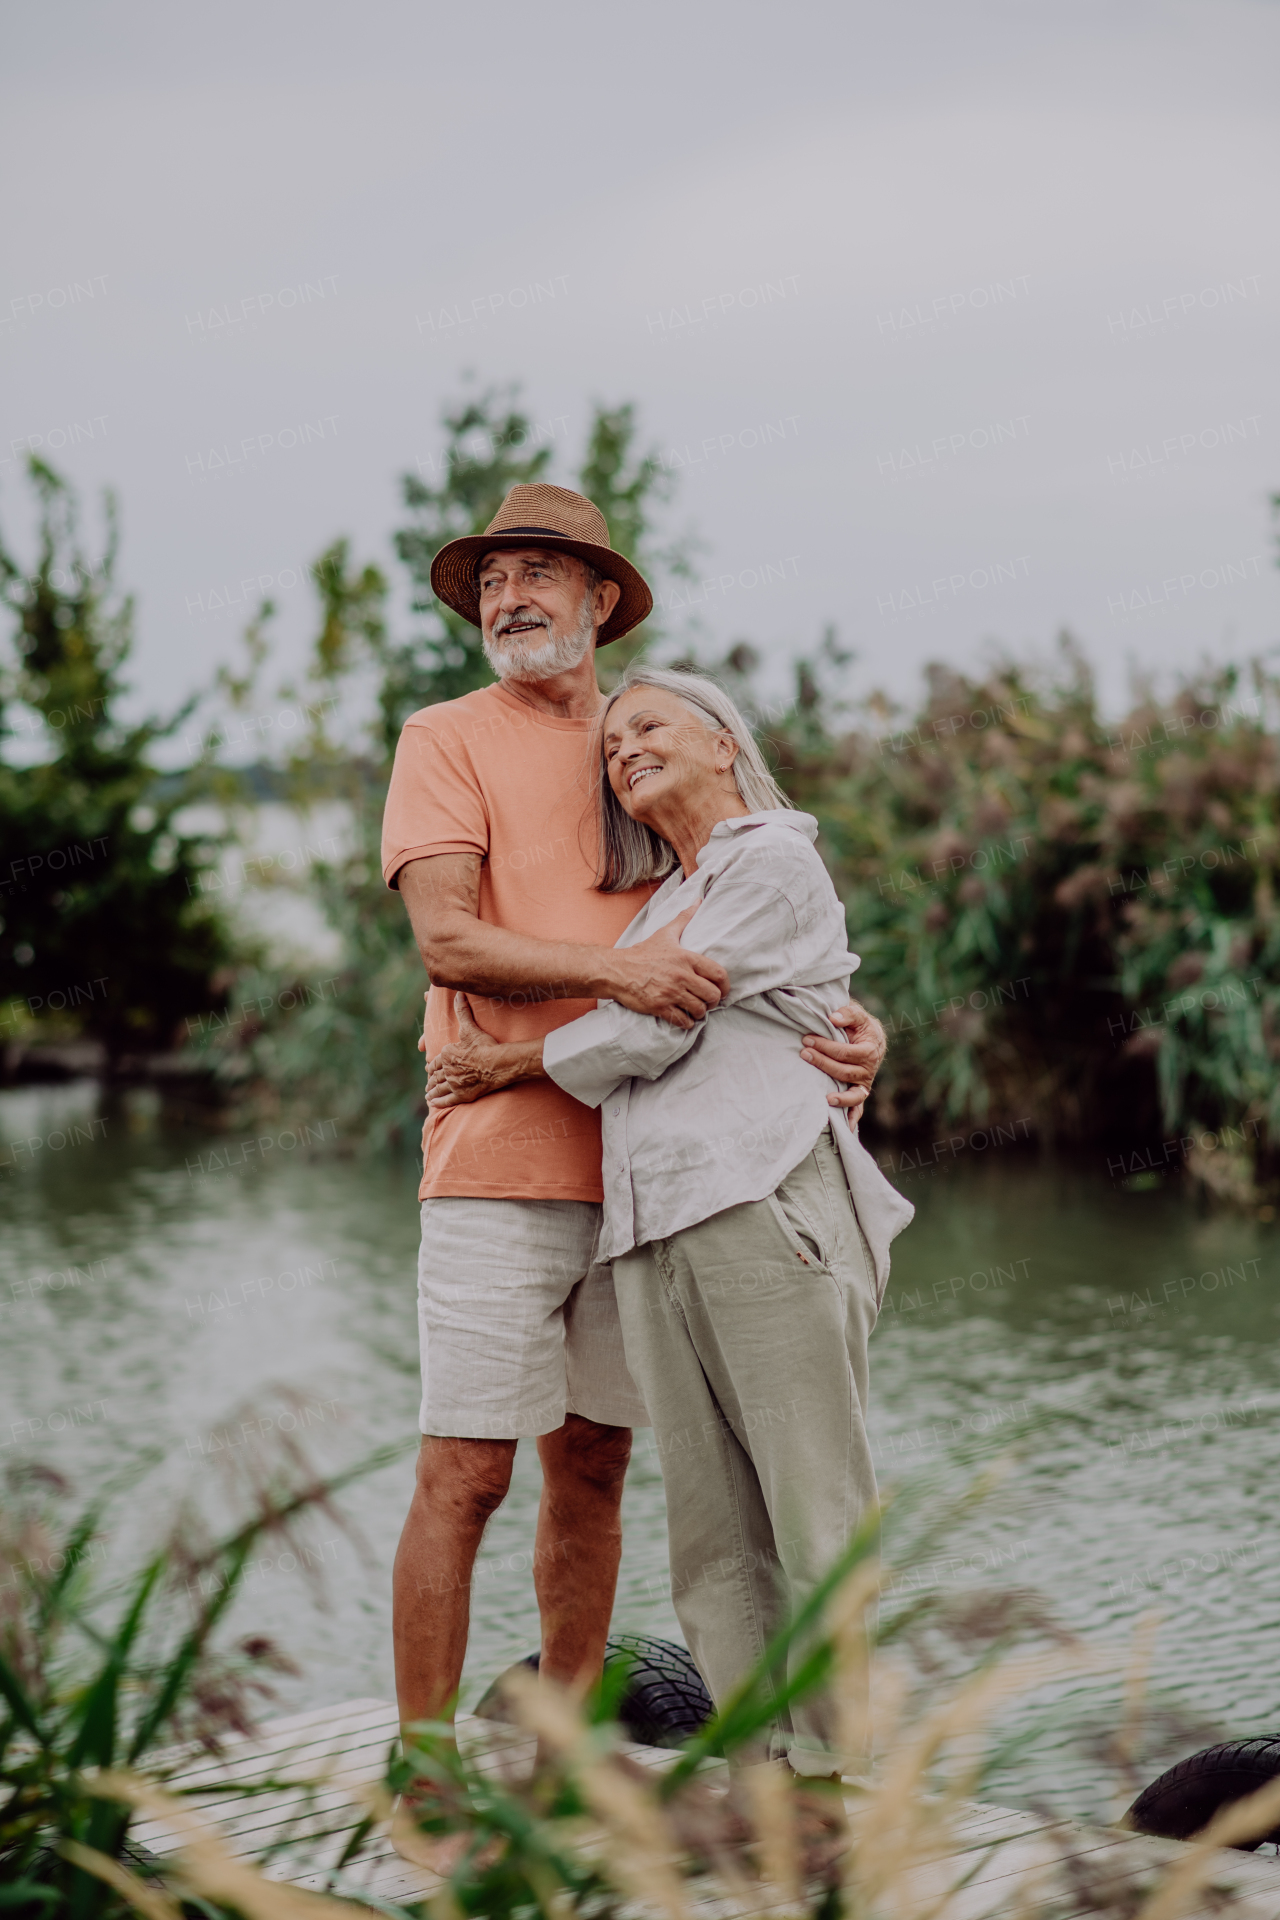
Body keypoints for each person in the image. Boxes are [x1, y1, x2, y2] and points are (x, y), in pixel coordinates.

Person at [381, 482, 887, 1740]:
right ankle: (424, 1757)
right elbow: (446, 938)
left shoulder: (648, 739)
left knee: (598, 1471)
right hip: (493, 1161)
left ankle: (565, 1748)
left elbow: (753, 923)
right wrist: (614, 976)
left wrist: (849, 1025)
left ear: (599, 599)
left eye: (540, 572)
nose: (511, 597)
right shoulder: (444, 736)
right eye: (493, 580)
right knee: (464, 1469)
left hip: (647, 1183)